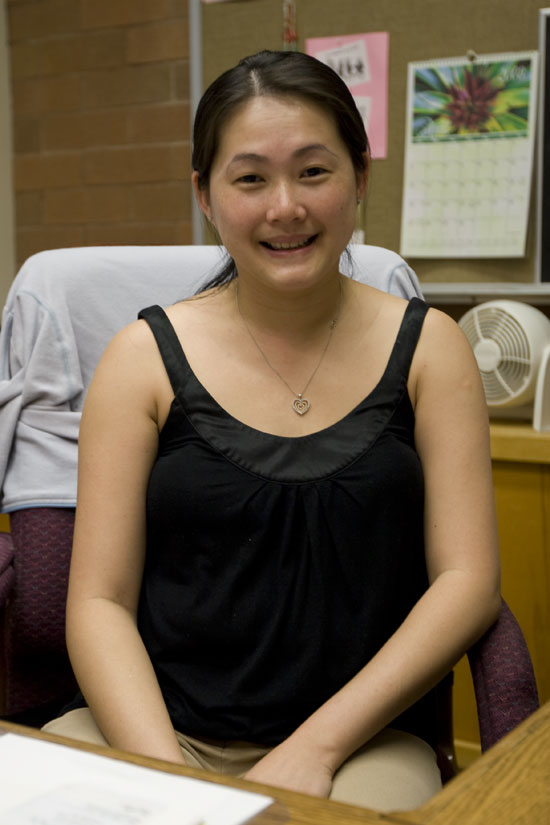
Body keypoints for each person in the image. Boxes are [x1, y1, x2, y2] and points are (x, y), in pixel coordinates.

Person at [43, 50, 501, 811]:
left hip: (358, 743)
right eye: (250, 178)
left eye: (313, 172)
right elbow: (98, 601)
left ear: (359, 177)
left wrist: (314, 749)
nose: (284, 206)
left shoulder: (431, 348)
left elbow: (467, 581)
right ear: (205, 194)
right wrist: (174, 781)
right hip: (155, 732)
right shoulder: (140, 361)